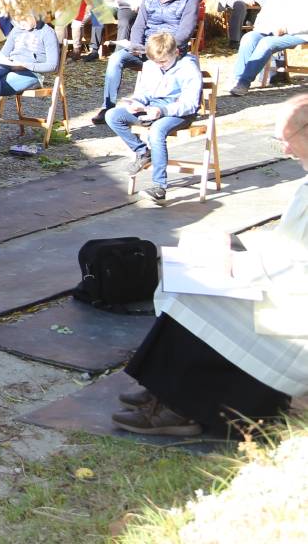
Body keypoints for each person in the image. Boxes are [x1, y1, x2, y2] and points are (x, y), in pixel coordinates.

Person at [112, 93, 308, 437]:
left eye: (286, 142)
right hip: (288, 279)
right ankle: (162, 389)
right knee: (186, 277)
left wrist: (243, 263)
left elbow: (296, 262)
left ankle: (182, 408)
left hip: (296, 303)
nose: (287, 151)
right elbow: (291, 246)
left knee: (199, 294)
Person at [103, 31, 203, 206]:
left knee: (156, 131)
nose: (160, 66)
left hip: (177, 112)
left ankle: (159, 187)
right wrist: (136, 102)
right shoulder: (151, 65)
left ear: (176, 53)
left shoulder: (188, 67)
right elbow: (145, 92)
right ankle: (143, 152)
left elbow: (191, 104)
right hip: (151, 108)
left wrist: (162, 111)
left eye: (163, 62)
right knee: (112, 115)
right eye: (156, 62)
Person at [93, 0, 199, 125]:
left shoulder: (188, 0)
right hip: (146, 51)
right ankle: (107, 107)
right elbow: (138, 25)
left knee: (165, 55)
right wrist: (136, 46)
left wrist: (164, 49)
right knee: (115, 58)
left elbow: (185, 31)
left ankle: (159, 109)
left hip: (170, 53)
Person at [230, 0, 308, 94]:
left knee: (266, 43)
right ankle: (237, 79)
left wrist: (286, 29)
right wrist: (260, 25)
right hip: (273, 28)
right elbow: (268, 9)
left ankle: (244, 83)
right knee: (249, 38)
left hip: (298, 32)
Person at [0, 14, 60, 113]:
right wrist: (2, 61)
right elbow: (3, 55)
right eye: (17, 20)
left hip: (31, 73)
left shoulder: (47, 32)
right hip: (11, 66)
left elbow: (52, 66)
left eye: (24, 19)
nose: (21, 24)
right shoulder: (16, 30)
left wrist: (25, 65)